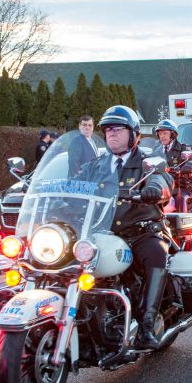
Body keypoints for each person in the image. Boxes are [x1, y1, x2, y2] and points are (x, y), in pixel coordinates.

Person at [76, 105, 173, 349]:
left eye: (118, 129)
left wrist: (155, 188)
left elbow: (162, 178)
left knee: (156, 255)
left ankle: (148, 324)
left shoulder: (147, 162)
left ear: (134, 134)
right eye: (108, 130)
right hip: (103, 234)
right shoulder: (96, 165)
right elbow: (73, 184)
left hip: (140, 231)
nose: (112, 134)